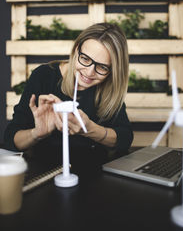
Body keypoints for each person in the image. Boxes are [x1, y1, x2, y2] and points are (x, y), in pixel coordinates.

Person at [4, 23, 133, 169]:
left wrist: (89, 129)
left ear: (112, 70)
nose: (89, 73)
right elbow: (10, 139)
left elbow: (124, 139)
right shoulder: (44, 76)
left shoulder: (109, 87)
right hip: (43, 169)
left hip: (94, 171)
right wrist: (37, 133)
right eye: (85, 59)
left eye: (102, 67)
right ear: (76, 50)